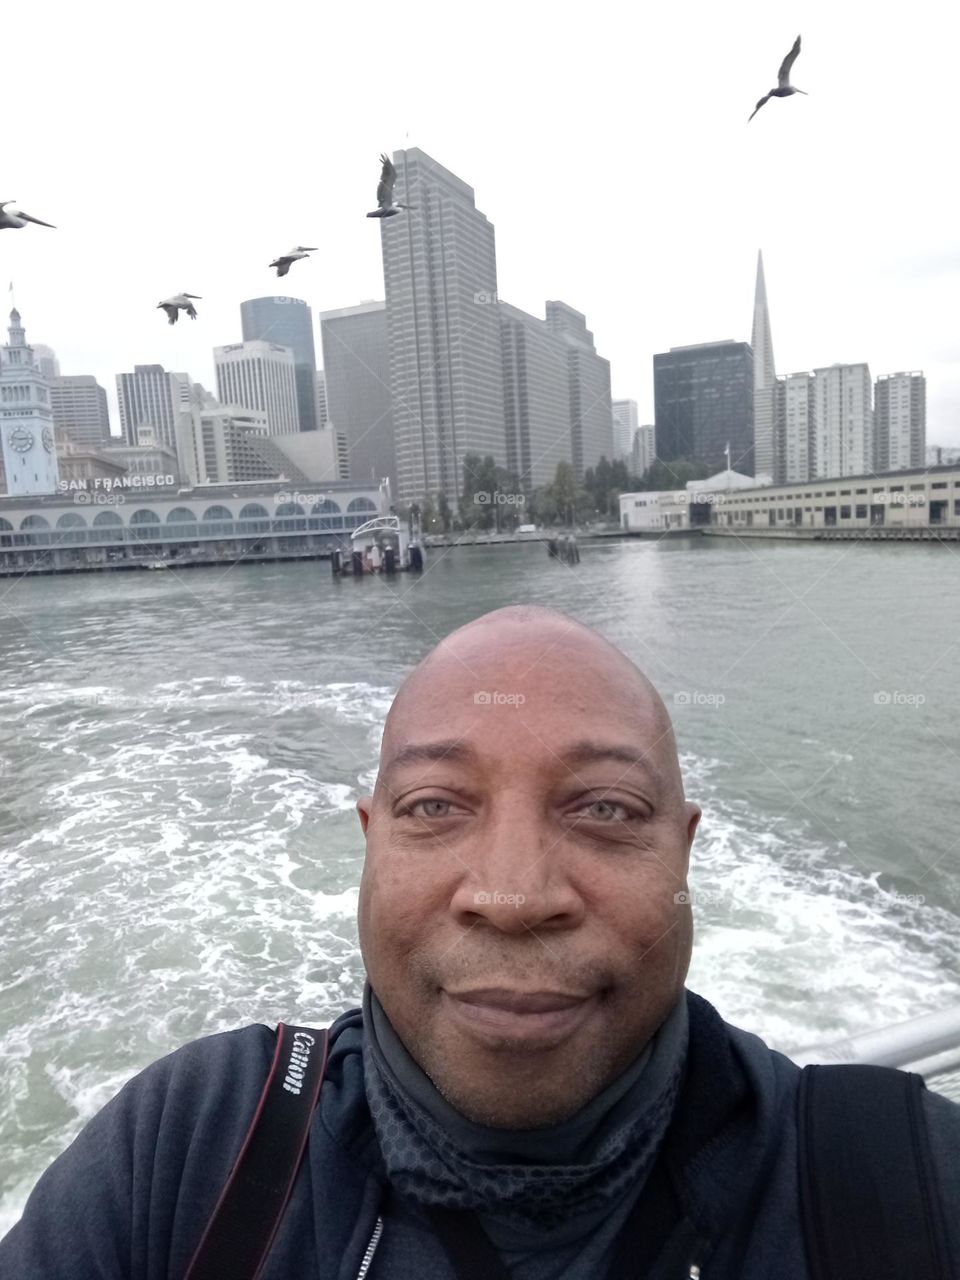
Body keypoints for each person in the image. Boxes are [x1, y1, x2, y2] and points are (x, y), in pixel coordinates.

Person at [1, 604, 958, 1279]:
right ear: (372, 844)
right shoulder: (194, 1149)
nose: (511, 895)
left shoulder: (900, 1185)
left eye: (607, 809)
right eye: (435, 807)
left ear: (684, 850)